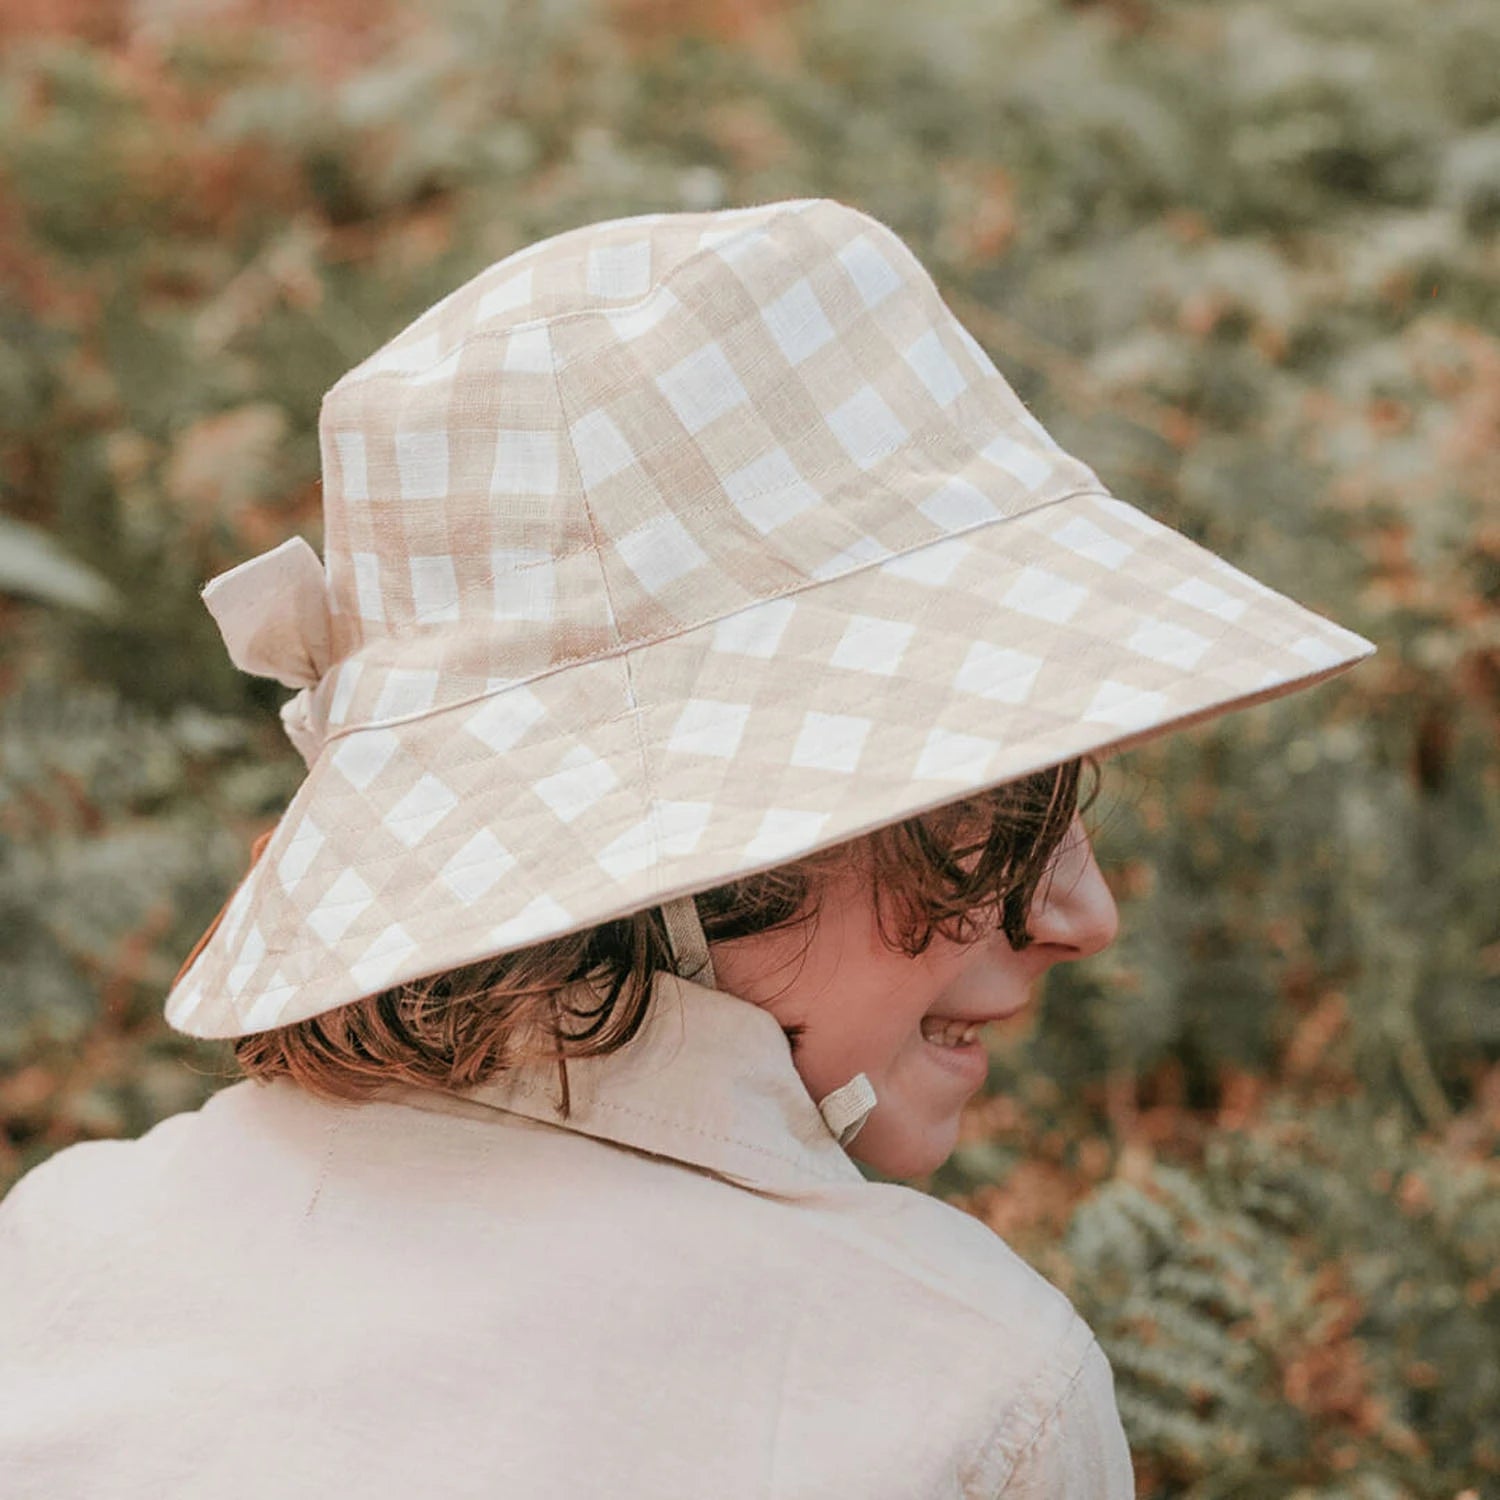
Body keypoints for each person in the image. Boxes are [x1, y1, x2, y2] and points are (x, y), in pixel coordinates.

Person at [0, 198, 1373, 1497]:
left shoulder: (63, 1246)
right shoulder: (956, 1387)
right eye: (992, 816)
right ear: (706, 868)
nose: (1083, 913)